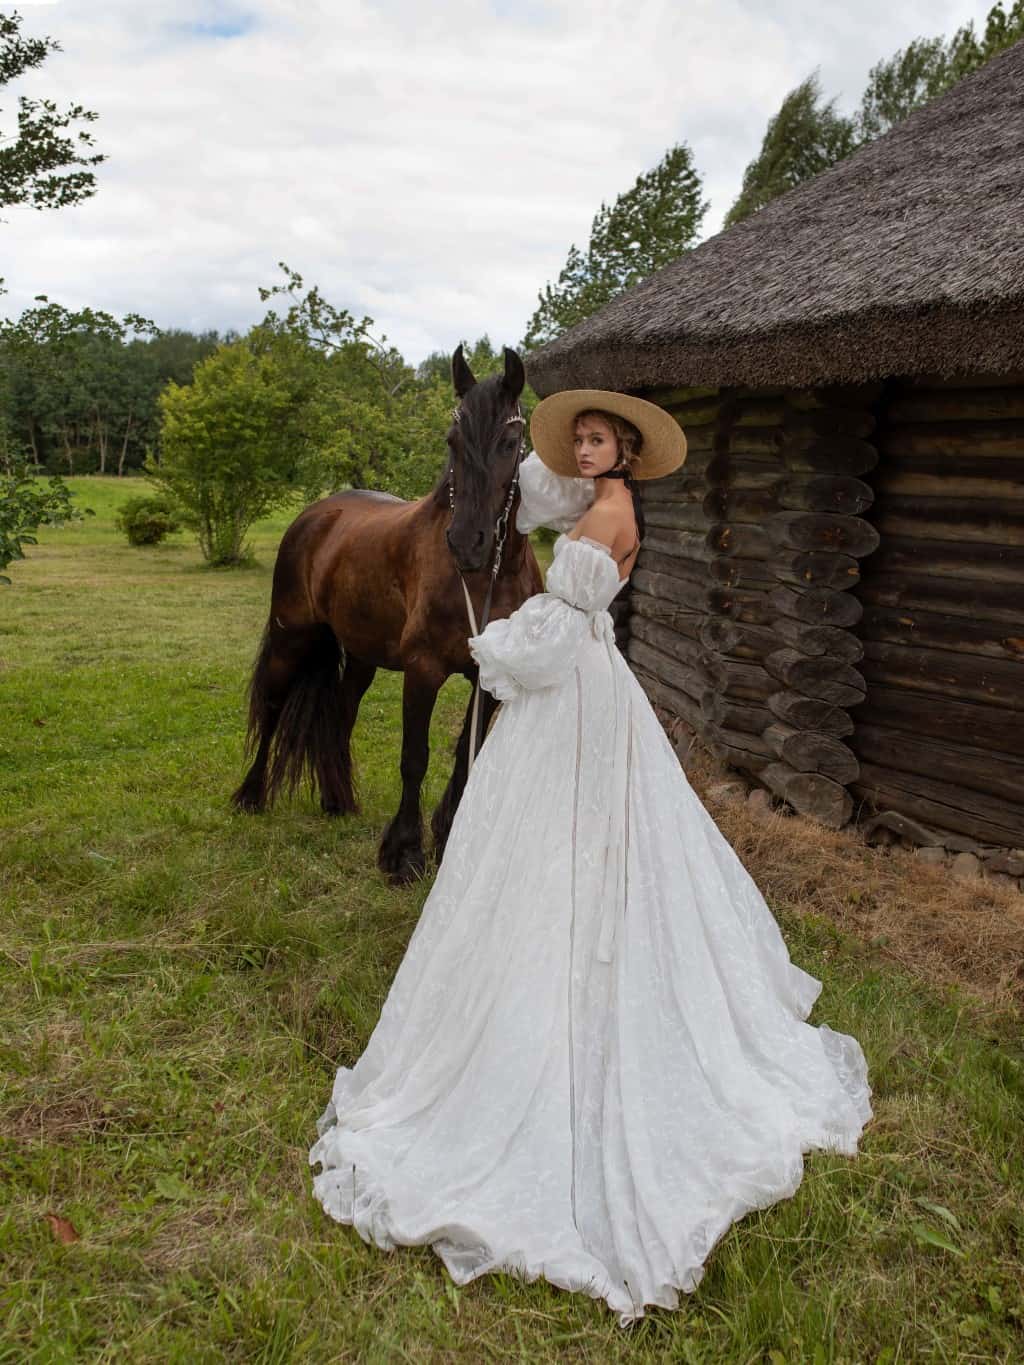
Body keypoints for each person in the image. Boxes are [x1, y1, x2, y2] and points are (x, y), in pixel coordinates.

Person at [309, 389, 872, 1326]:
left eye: (597, 436)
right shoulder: (591, 497)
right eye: (578, 432)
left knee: (562, 840)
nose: (582, 443)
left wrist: (494, 649)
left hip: (569, 690)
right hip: (588, 688)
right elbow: (526, 496)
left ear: (625, 452)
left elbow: (559, 634)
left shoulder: (612, 511)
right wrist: (499, 463)